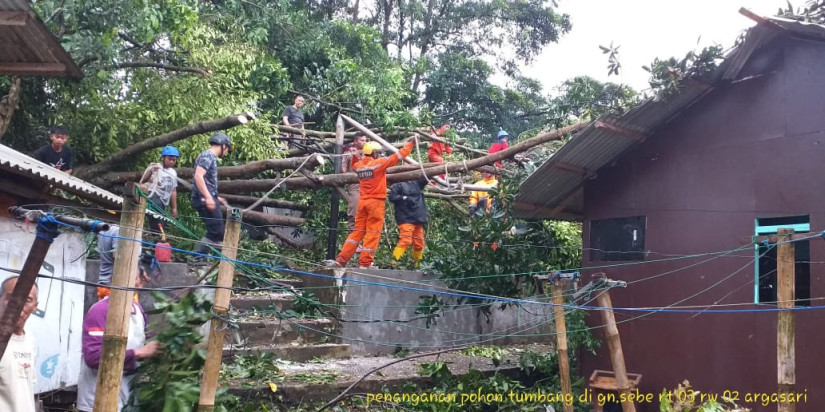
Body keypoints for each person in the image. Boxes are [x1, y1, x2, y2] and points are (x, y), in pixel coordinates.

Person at [76, 265, 159, 412]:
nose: (126, 282)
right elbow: (93, 357)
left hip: (125, 398)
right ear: (112, 280)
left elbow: (147, 340)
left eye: (132, 278)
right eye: (122, 277)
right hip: (96, 399)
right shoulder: (100, 311)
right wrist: (137, 353)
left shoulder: (138, 311)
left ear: (139, 283)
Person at [324, 138, 415, 268]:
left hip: (363, 203)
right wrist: (411, 144)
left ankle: (341, 259)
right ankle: (365, 263)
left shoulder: (360, 166)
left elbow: (355, 165)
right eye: (377, 152)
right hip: (376, 203)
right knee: (372, 233)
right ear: (374, 153)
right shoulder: (379, 163)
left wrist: (354, 156)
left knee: (356, 233)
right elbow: (398, 156)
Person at [0, 276, 38, 412]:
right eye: (11, 297)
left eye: (27, 300)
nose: (18, 305)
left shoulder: (29, 339)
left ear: (34, 307)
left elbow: (25, 390)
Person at [192, 133, 232, 254]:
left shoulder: (207, 156)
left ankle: (201, 258)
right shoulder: (208, 155)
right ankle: (197, 258)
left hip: (206, 197)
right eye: (227, 149)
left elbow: (206, 181)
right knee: (217, 232)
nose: (226, 152)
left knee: (217, 231)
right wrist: (209, 197)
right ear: (224, 146)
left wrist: (215, 197)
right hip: (203, 198)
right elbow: (198, 176)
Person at [388, 177, 429, 268]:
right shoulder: (398, 184)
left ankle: (416, 265)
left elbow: (427, 177)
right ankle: (394, 262)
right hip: (405, 217)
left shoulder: (417, 182)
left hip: (417, 218)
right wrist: (404, 198)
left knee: (419, 244)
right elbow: (392, 197)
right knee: (406, 240)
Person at [139, 146, 180, 233]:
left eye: (174, 160)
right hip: (153, 198)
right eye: (169, 159)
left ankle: (155, 237)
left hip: (163, 202)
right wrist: (151, 171)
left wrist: (174, 208)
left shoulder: (173, 173)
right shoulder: (155, 167)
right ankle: (156, 236)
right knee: (158, 223)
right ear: (163, 158)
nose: (172, 161)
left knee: (161, 222)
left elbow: (173, 190)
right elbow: (143, 180)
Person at [341, 134, 368, 230]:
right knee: (354, 212)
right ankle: (352, 241)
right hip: (354, 185)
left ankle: (361, 242)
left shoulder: (368, 153)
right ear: (355, 141)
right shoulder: (348, 153)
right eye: (362, 140)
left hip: (368, 186)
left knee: (367, 215)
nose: (364, 142)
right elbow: (343, 170)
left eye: (365, 140)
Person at [96, 224, 120, 300]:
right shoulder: (118, 231)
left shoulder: (103, 230)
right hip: (114, 287)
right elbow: (116, 257)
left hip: (103, 284)